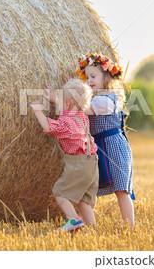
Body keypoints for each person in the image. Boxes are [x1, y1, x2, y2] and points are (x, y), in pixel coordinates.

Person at [45, 54, 135, 227]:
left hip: (113, 147)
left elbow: (79, 109)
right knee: (89, 190)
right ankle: (84, 223)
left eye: (93, 77)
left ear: (107, 77)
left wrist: (61, 98)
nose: (89, 81)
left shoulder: (105, 100)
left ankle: (129, 227)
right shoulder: (96, 97)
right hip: (96, 148)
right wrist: (74, 89)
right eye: (87, 77)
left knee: (121, 190)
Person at [30, 79, 99, 232]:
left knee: (59, 192)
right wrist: (56, 99)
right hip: (93, 163)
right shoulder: (82, 117)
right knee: (84, 202)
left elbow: (48, 126)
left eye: (61, 101)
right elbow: (68, 110)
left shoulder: (66, 124)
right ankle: (92, 231)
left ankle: (73, 220)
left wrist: (38, 111)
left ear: (66, 104)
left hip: (78, 164)